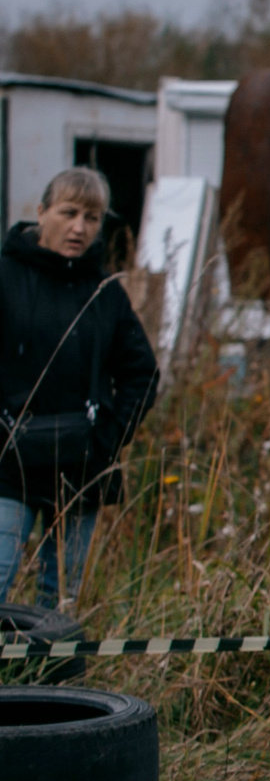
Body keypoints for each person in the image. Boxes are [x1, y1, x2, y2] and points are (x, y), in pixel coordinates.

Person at [0, 169, 159, 612]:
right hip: (7, 467)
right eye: (68, 213)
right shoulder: (5, 277)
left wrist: (108, 437)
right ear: (41, 212)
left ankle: (47, 663)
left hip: (81, 467)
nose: (79, 228)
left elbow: (142, 373)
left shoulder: (105, 292)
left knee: (61, 602)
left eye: (91, 218)